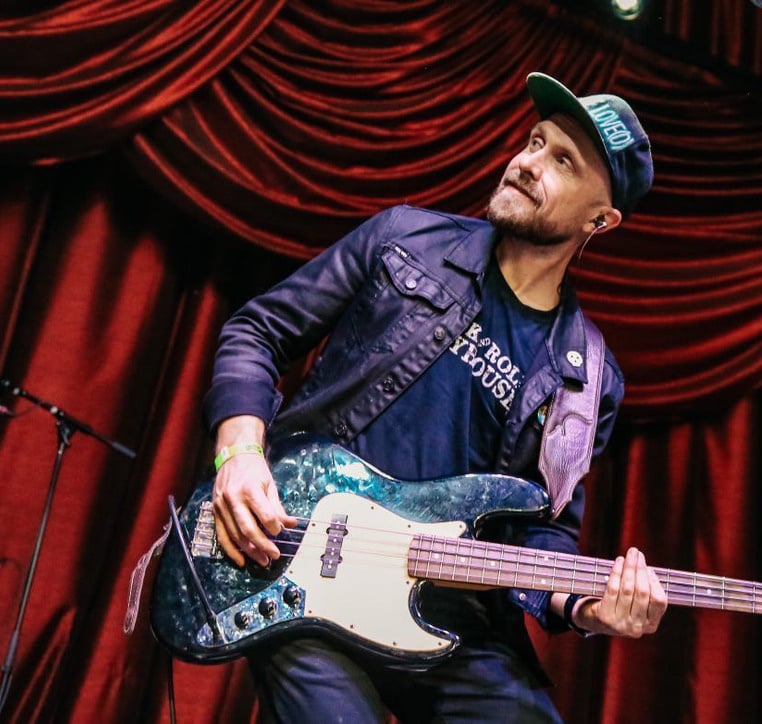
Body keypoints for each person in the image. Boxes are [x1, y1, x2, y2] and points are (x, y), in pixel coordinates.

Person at [204, 72, 667, 722]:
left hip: (455, 619)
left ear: (601, 218)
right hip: (309, 565)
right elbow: (258, 331)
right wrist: (240, 454)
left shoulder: (589, 378)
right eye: (535, 142)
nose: (528, 163)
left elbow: (543, 529)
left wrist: (587, 605)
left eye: (563, 161)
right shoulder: (405, 240)